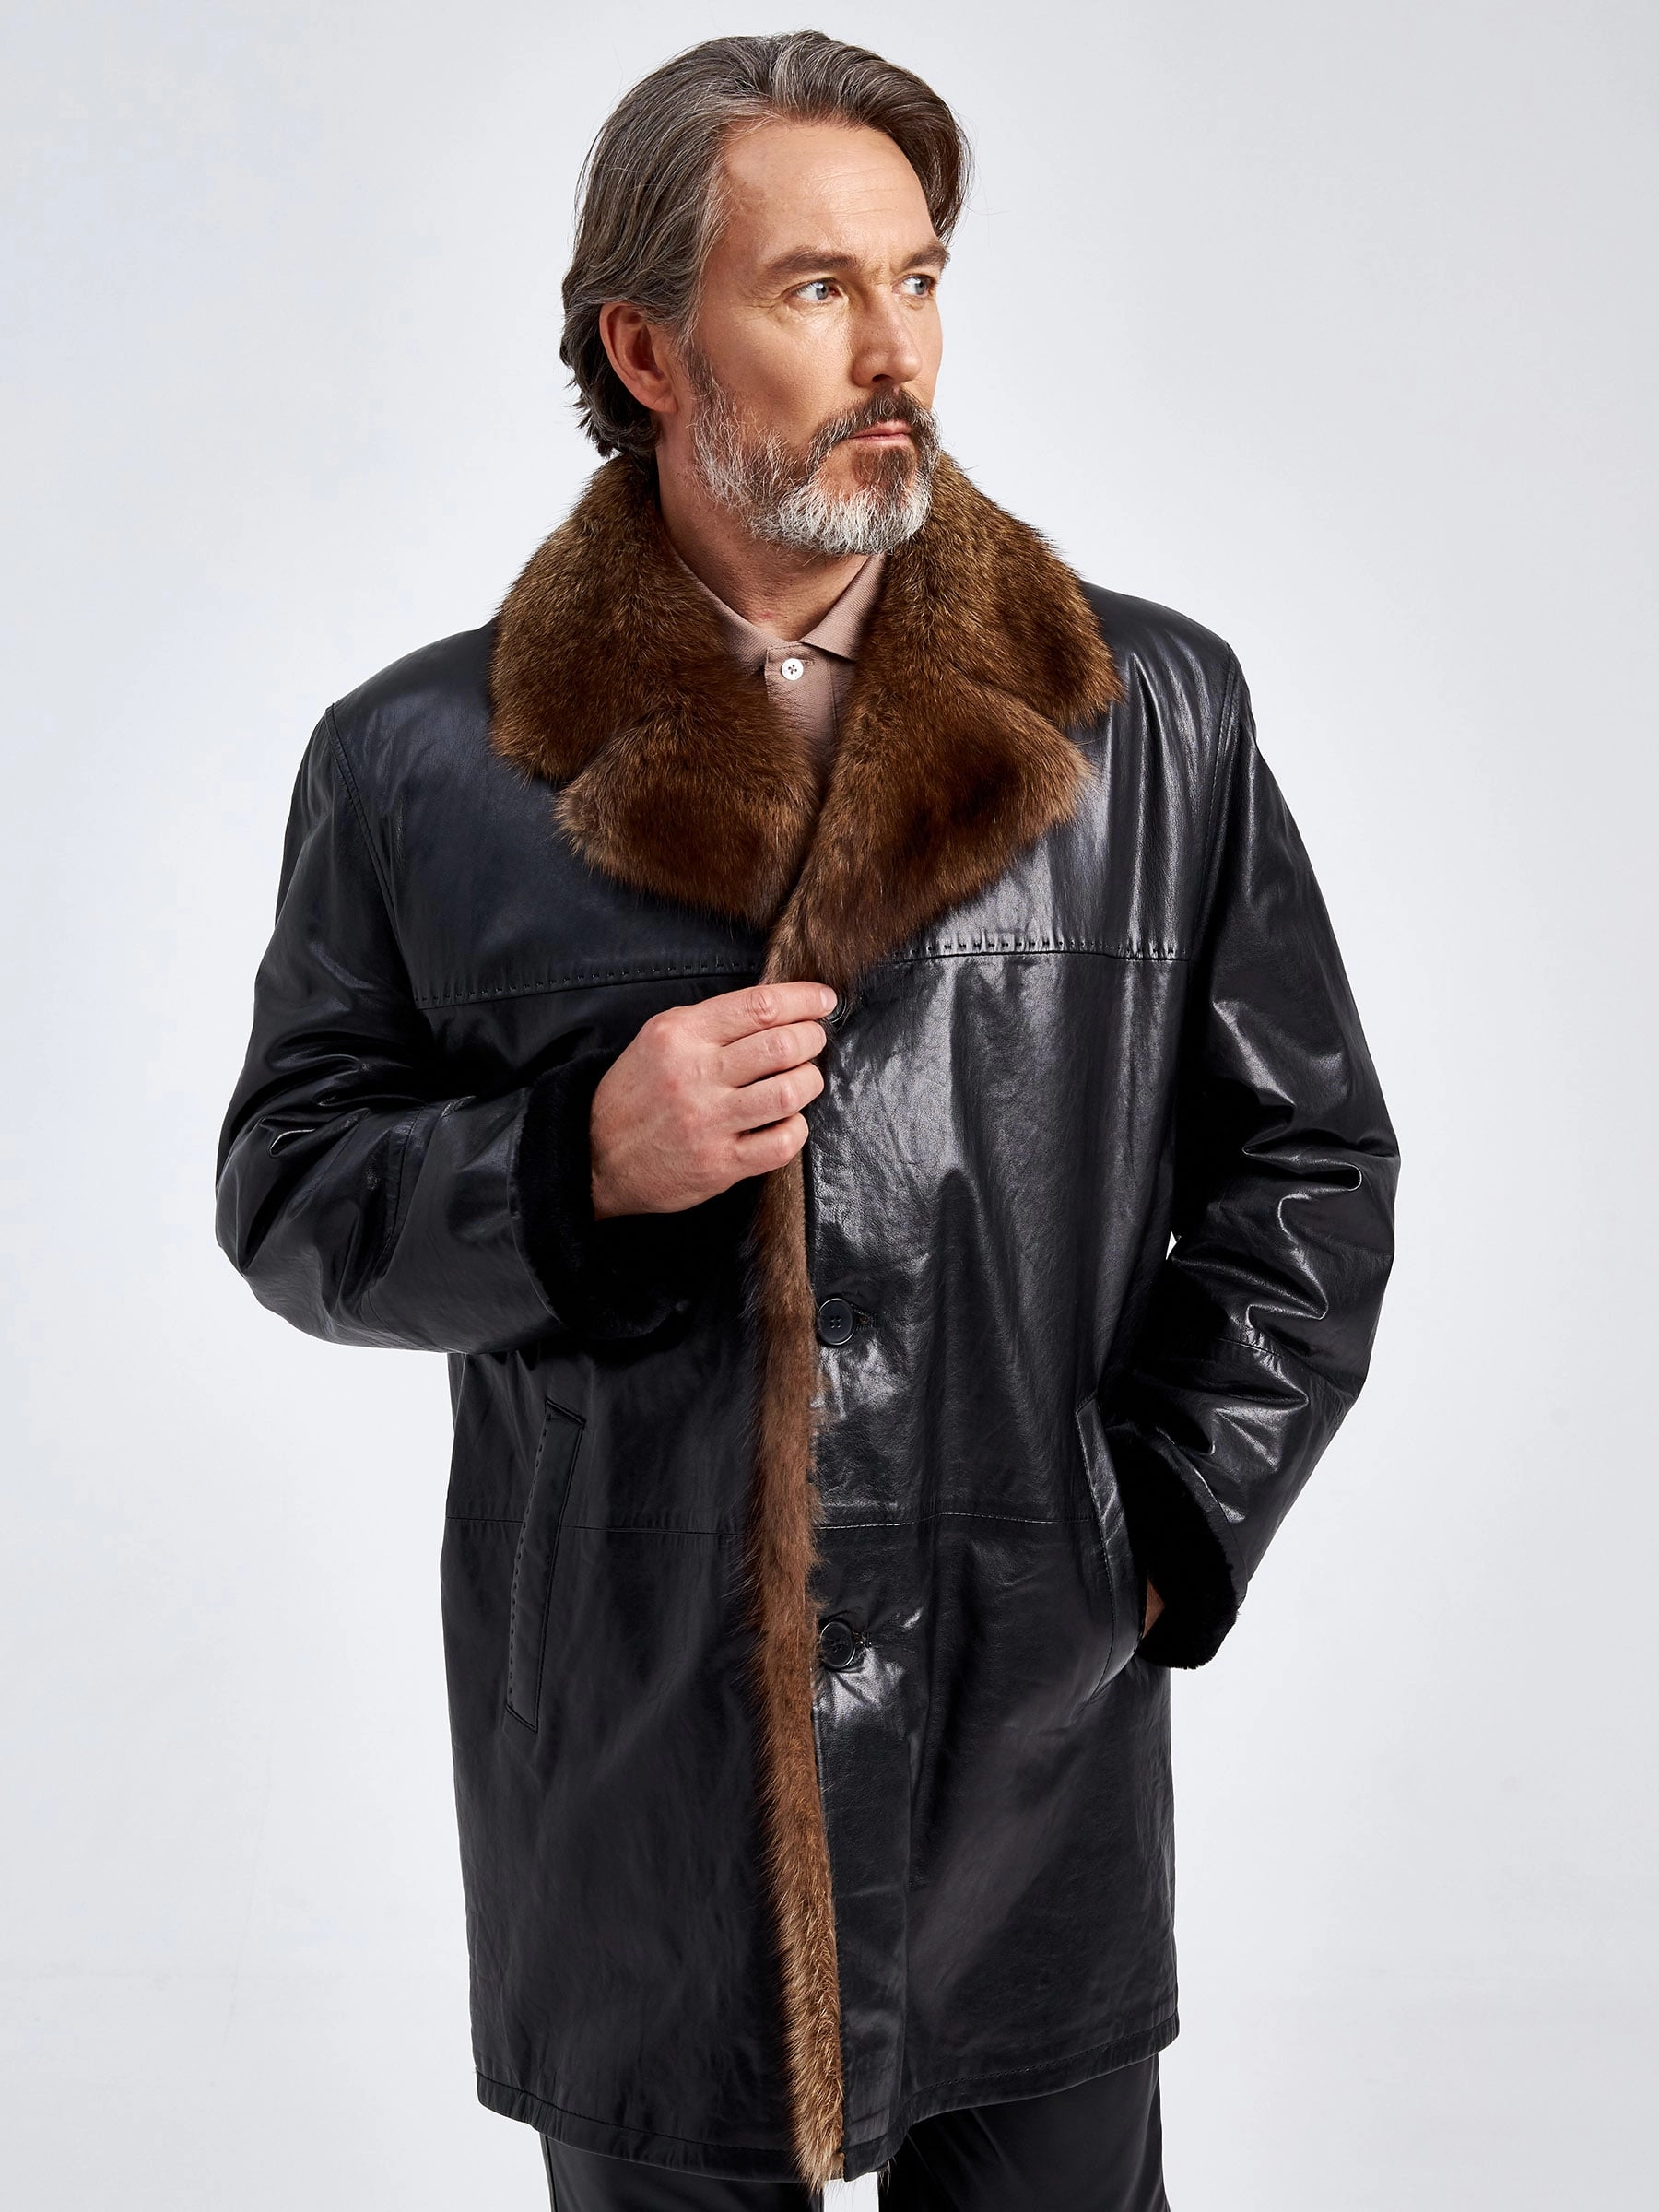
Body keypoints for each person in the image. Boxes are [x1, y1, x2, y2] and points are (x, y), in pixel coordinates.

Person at [215, 30, 1398, 2211]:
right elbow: (292, 1193)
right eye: (817, 287)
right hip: (636, 1766)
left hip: (1027, 1746)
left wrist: (1149, 1523)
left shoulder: (1146, 721)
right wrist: (569, 1163)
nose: (894, 353)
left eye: (919, 279)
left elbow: (1306, 1166)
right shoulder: (422, 764)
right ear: (646, 348)